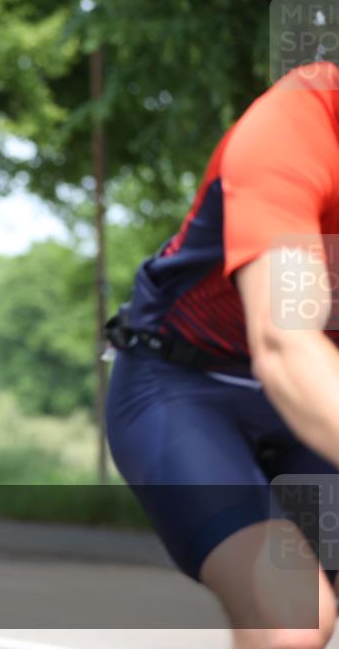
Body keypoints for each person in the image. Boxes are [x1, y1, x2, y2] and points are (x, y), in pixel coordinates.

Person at [105, 62, 339, 649]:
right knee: (292, 619)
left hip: (314, 407)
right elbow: (286, 345)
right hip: (183, 387)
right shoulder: (299, 119)